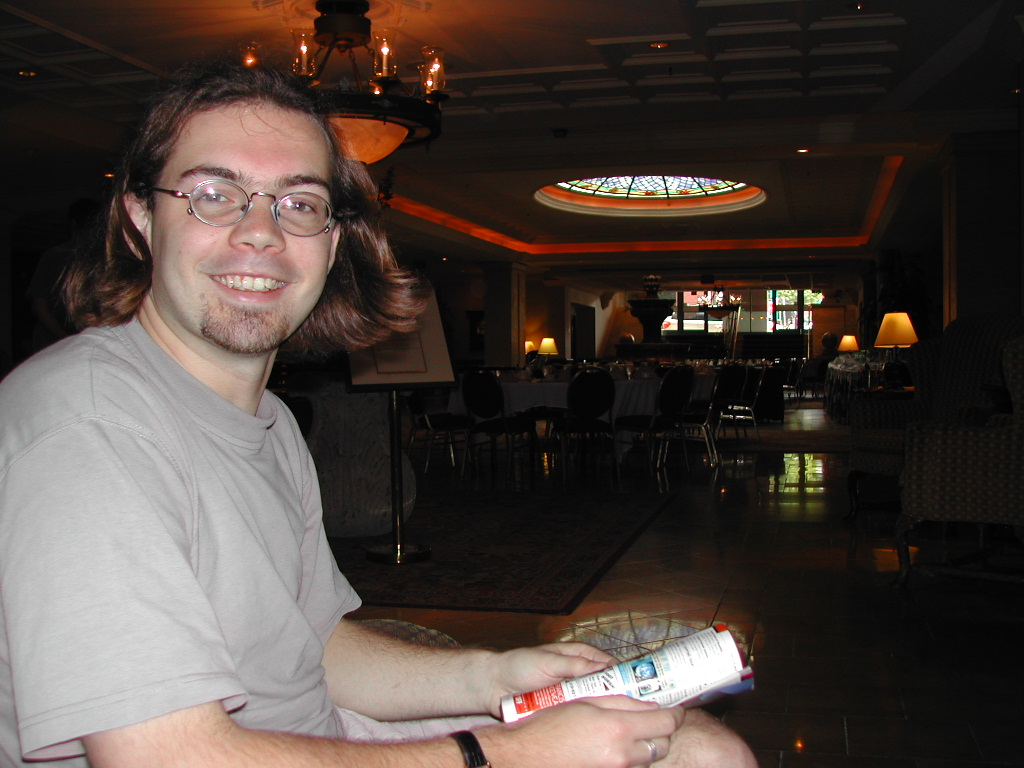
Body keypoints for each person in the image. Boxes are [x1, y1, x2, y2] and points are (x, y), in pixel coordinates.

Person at [0, 61, 755, 768]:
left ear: (331, 244)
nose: (259, 233)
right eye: (212, 194)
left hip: (309, 733)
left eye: (299, 203)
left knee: (700, 749)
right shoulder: (87, 429)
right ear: (139, 219)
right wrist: (502, 753)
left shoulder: (268, 421)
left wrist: (501, 674)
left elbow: (316, 644)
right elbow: (162, 757)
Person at [24, 197, 100, 352]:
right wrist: (64, 338)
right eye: (90, 228)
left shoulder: (104, 260)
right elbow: (39, 305)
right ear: (75, 226)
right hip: (53, 345)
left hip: (87, 342)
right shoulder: (55, 256)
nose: (93, 235)